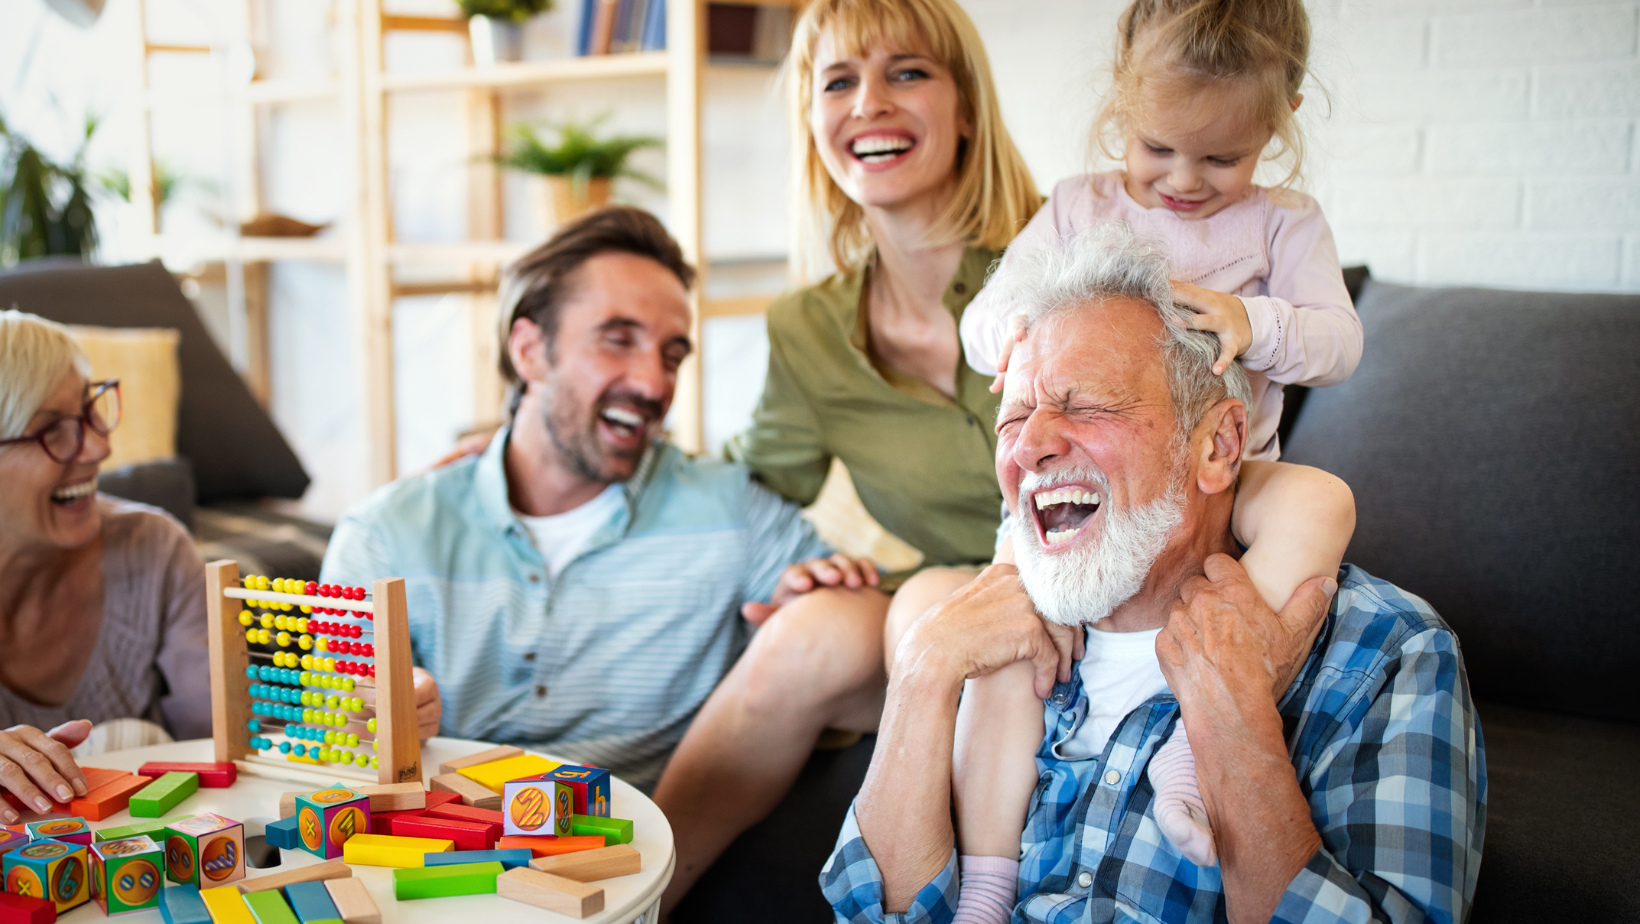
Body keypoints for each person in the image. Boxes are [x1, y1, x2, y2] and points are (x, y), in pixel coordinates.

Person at [823, 224, 1485, 924]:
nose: (1033, 446)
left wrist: (1233, 726)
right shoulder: (983, 641)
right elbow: (869, 915)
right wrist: (923, 672)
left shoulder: (1387, 654)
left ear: (1221, 445)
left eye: (1086, 406)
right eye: (1013, 417)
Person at [319, 207, 887, 902]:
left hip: (638, 877)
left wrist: (811, 609)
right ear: (529, 350)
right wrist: (368, 717)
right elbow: (323, 747)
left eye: (672, 353)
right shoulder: (385, 535)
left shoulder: (731, 512)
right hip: (430, 887)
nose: (654, 383)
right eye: (618, 341)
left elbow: (872, 675)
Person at [944, 0, 1364, 900]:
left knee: (1320, 502)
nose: (1184, 180)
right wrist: (1022, 326)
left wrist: (1257, 321)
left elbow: (1341, 344)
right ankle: (984, 884)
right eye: (1156, 147)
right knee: (1013, 653)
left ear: (1280, 113)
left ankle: (1190, 746)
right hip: (1084, 489)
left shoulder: (1282, 225)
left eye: (1221, 158)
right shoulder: (1076, 207)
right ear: (1121, 110)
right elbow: (982, 324)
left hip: (1229, 476)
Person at [0, 310, 210, 823]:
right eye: (53, 430)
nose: (100, 446)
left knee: (138, 739)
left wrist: (357, 715)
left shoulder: (156, 550)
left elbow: (229, 741)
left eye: (91, 411)